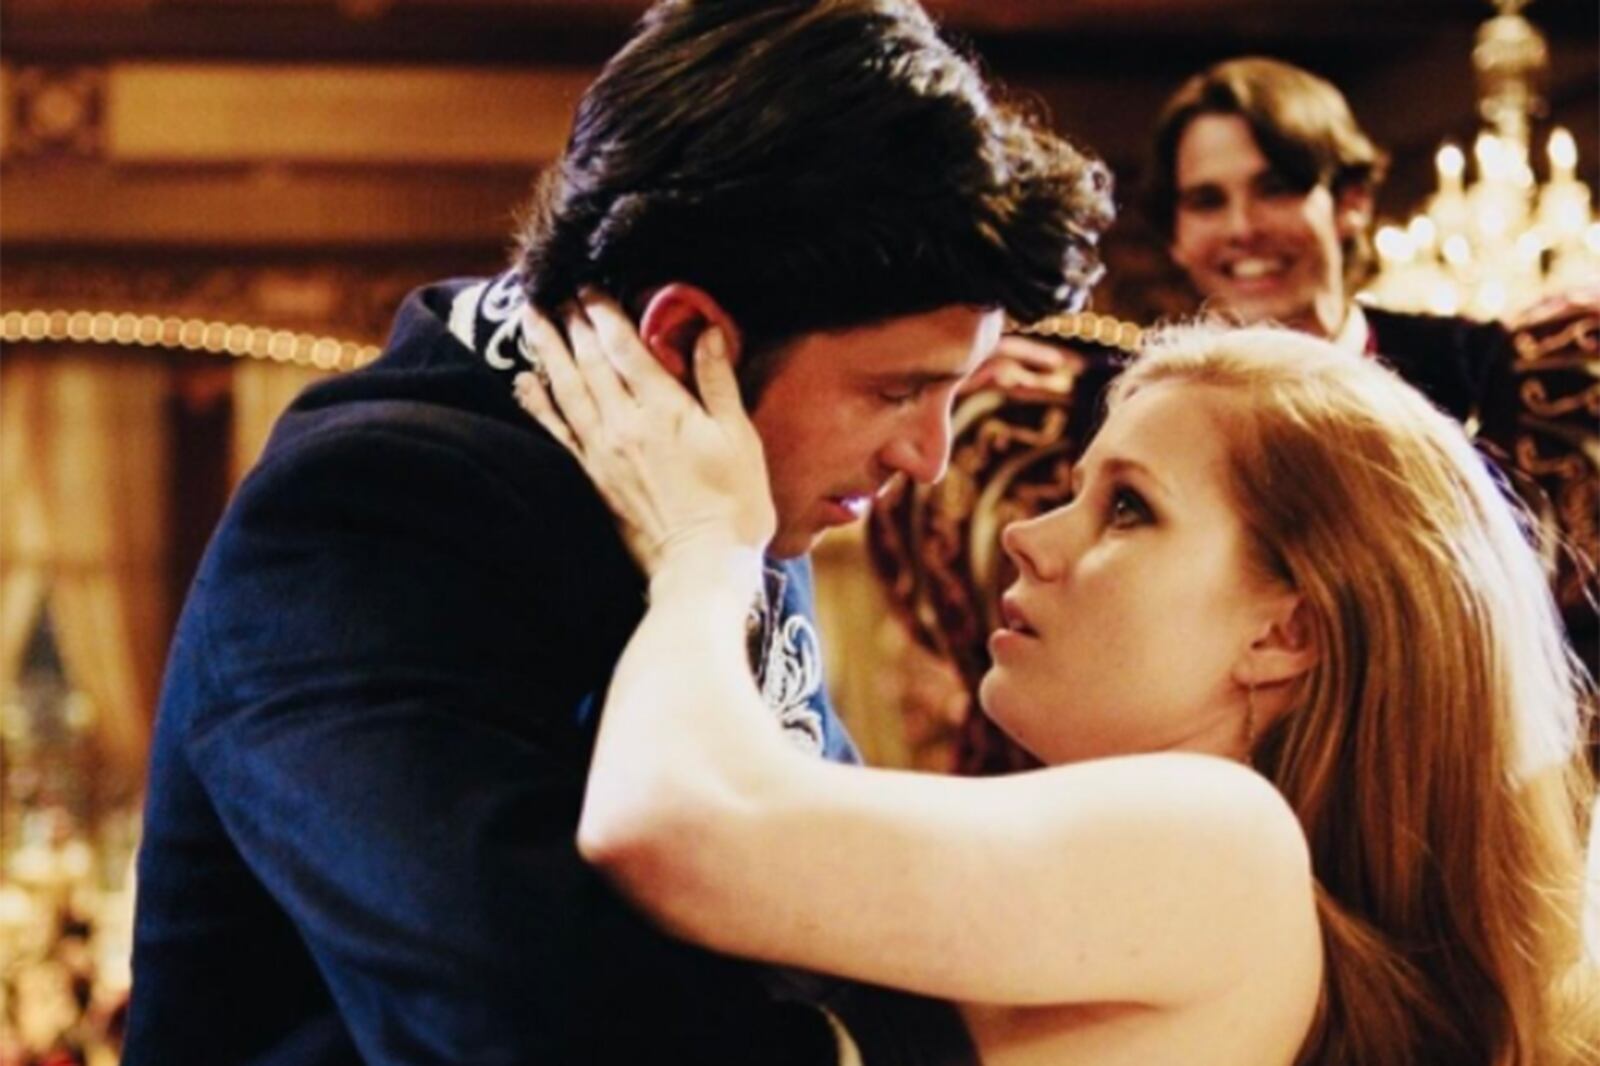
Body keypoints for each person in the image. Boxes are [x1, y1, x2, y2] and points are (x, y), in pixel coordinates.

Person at [123, 2, 1112, 1063]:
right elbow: (523, 1023)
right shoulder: (366, 511)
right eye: (896, 392)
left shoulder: (726, 489)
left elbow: (830, 902)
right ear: (684, 337)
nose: (928, 456)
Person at [515, 298, 1599, 1066]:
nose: (1028, 536)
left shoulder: (1226, 847)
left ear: (1286, 630)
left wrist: (705, 545)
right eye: (1077, 491)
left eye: (1128, 508)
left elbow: (677, 827)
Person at [867, 55, 1595, 774]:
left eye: (1275, 188)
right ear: (1176, 236)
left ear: (1350, 202)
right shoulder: (1087, 416)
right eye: (1207, 201)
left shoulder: (1487, 381)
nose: (1242, 227)